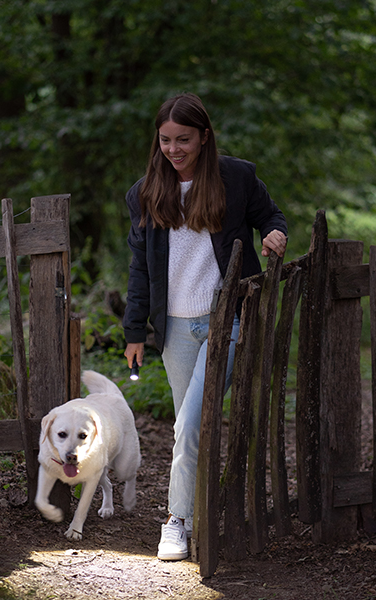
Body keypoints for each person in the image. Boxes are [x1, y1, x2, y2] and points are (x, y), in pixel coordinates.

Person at [122, 93, 288, 561]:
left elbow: (271, 217)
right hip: (174, 328)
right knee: (187, 427)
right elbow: (140, 269)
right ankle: (195, 515)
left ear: (204, 137)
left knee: (191, 422)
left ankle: (175, 521)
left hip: (228, 318)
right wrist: (135, 330)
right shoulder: (145, 193)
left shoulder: (236, 178)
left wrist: (277, 233)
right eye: (166, 140)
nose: (174, 149)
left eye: (185, 140)